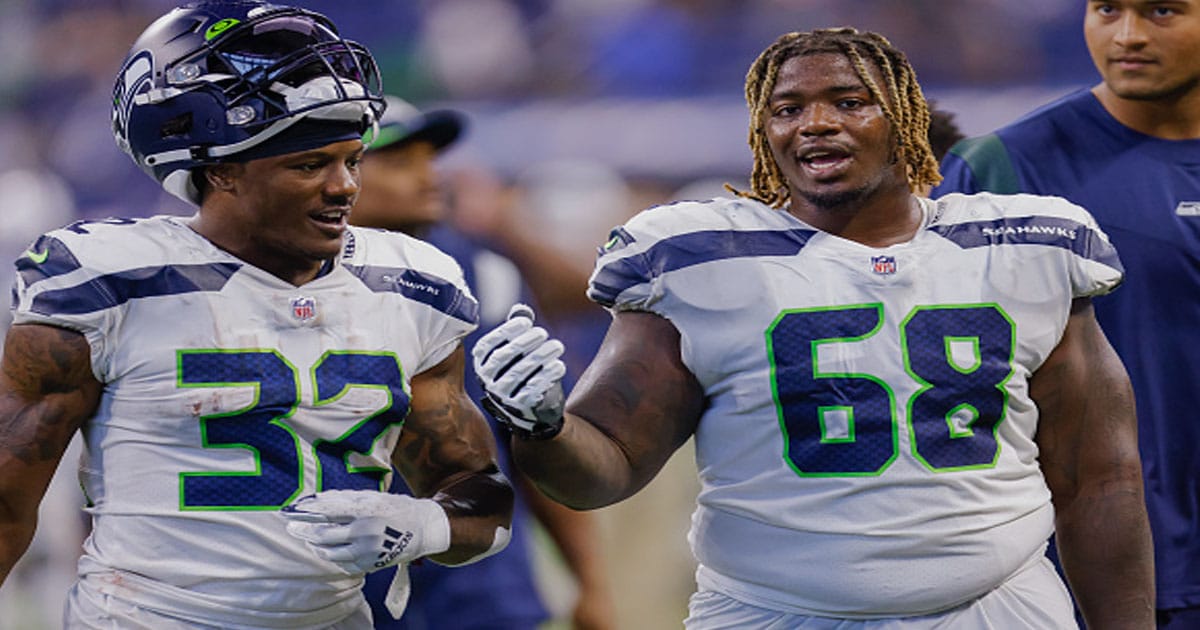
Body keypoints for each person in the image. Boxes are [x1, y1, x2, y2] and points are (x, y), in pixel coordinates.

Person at [471, 26, 1156, 628]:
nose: (816, 123)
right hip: (774, 611)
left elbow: (1100, 479)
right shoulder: (698, 258)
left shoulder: (1023, 248)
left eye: (849, 102)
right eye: (788, 108)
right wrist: (542, 425)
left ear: (906, 119)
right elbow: (604, 471)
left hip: (997, 606)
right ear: (763, 132)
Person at [0, 2, 514, 627]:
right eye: (308, 164)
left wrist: (425, 522)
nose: (345, 186)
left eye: (352, 159)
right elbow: (6, 502)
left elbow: (482, 498)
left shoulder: (412, 283)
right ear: (220, 171)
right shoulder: (109, 282)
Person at [933, 2, 1200, 626]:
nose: (1127, 35)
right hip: (1100, 575)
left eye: (1162, 10)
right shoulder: (1002, 172)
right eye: (1107, 8)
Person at [351, 95, 615, 630]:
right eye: (400, 161)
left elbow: (532, 441)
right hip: (342, 582)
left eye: (430, 159)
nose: (430, 177)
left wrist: (591, 582)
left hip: (481, 588)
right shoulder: (283, 282)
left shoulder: (480, 272)